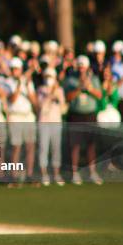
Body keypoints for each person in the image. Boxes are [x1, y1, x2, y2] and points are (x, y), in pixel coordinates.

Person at [64, 55, 103, 185]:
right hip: (76, 115)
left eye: (83, 67)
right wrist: (80, 88)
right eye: (79, 67)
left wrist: (89, 88)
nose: (81, 69)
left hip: (90, 115)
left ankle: (92, 172)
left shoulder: (94, 79)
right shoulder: (70, 80)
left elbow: (99, 95)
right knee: (75, 145)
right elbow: (68, 97)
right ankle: (75, 173)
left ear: (87, 68)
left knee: (91, 145)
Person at [4, 57, 37, 185]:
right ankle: (13, 176)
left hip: (28, 116)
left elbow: (34, 102)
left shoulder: (28, 82)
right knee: (16, 147)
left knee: (30, 146)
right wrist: (19, 84)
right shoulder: (8, 82)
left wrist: (27, 86)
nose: (14, 71)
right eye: (12, 69)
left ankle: (29, 175)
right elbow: (12, 99)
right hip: (15, 116)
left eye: (16, 69)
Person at [36, 68, 66, 186]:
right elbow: (42, 107)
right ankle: (44, 174)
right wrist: (50, 94)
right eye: (47, 76)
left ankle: (56, 173)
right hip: (44, 122)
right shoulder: (40, 90)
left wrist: (55, 93)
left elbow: (62, 106)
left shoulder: (59, 90)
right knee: (43, 148)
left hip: (56, 122)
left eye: (51, 77)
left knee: (56, 148)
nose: (48, 79)